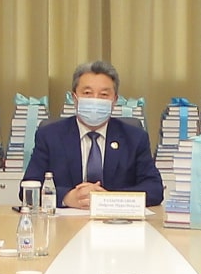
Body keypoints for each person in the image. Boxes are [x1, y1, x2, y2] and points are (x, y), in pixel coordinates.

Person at [21, 61, 163, 210]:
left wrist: (108, 199)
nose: (95, 100)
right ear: (74, 98)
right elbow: (28, 188)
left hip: (115, 221)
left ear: (114, 101)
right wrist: (66, 197)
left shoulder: (135, 138)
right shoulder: (50, 135)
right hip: (66, 221)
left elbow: (154, 189)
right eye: (87, 93)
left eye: (104, 94)